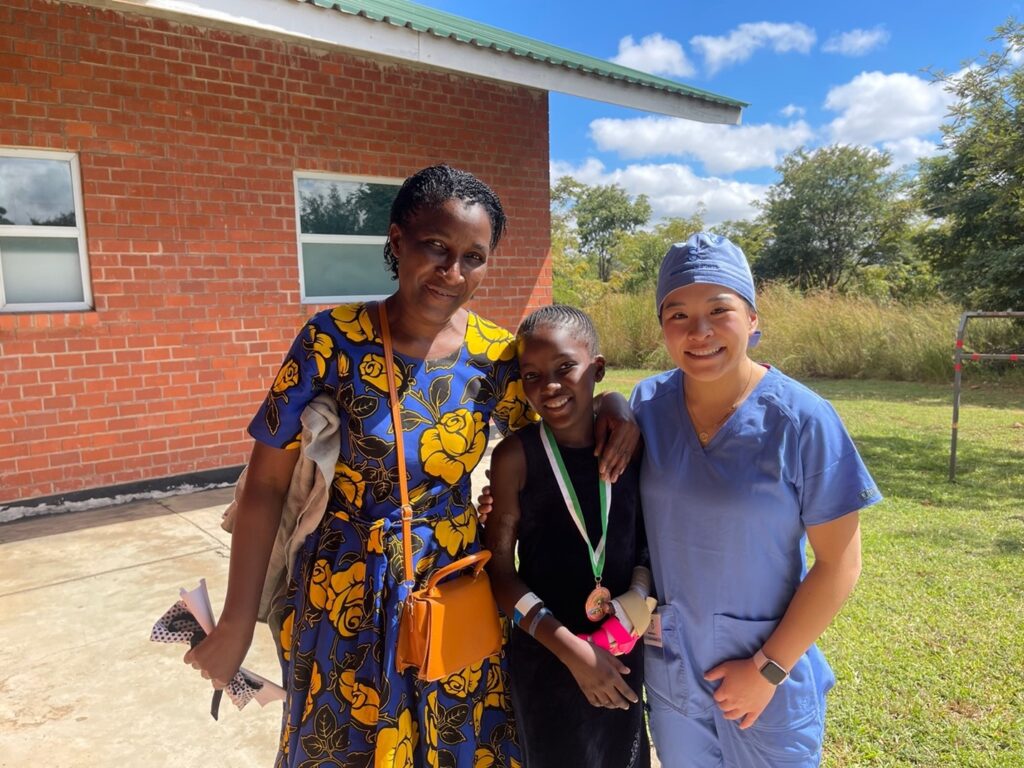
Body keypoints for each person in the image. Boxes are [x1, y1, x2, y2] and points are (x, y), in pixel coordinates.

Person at [183, 164, 638, 767]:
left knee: (459, 747)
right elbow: (266, 485)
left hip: (454, 592)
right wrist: (238, 622)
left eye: (473, 257)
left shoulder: (497, 356)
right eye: (437, 248)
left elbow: (557, 428)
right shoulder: (329, 342)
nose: (453, 273)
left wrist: (613, 401)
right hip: (344, 593)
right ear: (398, 242)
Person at [632, 232, 882, 768]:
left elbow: (840, 563)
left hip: (766, 678)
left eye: (719, 310)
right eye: (677, 315)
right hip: (672, 665)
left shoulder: (802, 420)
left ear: (751, 318)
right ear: (662, 328)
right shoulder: (646, 406)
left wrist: (769, 669)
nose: (699, 332)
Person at [484, 305, 655, 768]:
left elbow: (642, 541)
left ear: (597, 369)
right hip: (549, 657)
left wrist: (637, 596)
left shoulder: (629, 447)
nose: (550, 387)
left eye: (565, 368)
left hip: (621, 642)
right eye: (533, 376)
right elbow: (500, 573)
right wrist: (573, 652)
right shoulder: (515, 458)